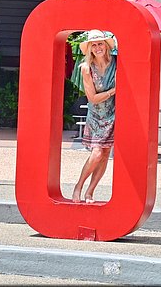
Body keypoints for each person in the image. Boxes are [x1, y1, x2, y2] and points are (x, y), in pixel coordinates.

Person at [71, 30, 118, 204]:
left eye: (100, 44)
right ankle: (78, 186)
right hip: (96, 116)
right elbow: (92, 98)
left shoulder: (117, 63)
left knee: (105, 154)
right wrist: (114, 90)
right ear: (90, 48)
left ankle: (90, 192)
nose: (98, 48)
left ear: (106, 46)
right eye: (94, 45)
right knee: (97, 152)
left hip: (113, 113)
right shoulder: (86, 68)